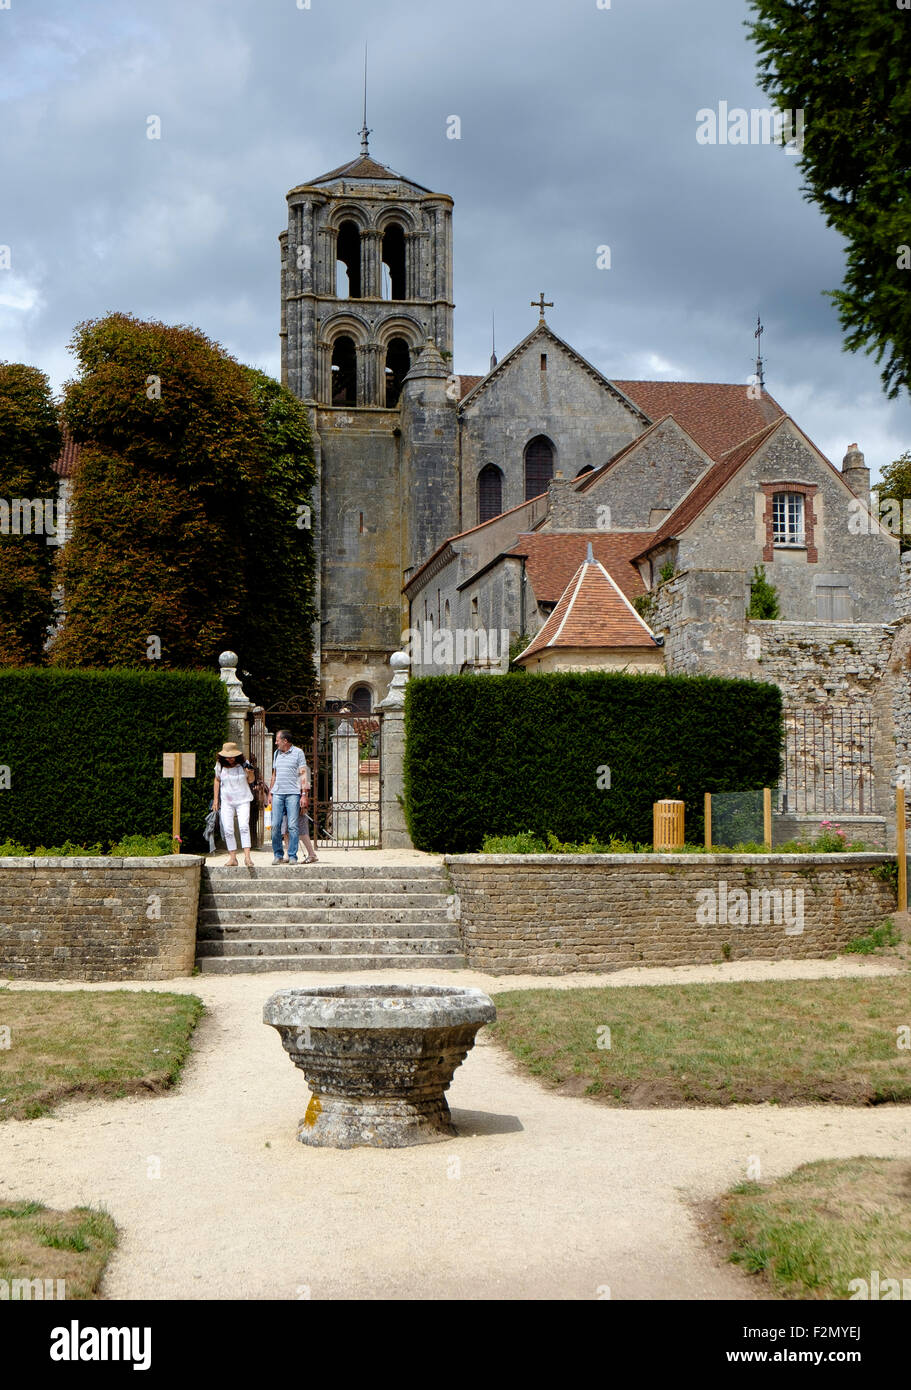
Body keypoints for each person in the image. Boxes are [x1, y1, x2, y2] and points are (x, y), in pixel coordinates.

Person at [268, 729, 318, 864]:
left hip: (293, 794)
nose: (276, 742)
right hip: (278, 793)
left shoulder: (298, 753)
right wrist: (270, 792)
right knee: (275, 825)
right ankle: (278, 855)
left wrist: (304, 795)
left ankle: (292, 856)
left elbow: (303, 773)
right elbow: (274, 774)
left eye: (278, 740)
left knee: (293, 826)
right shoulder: (276, 753)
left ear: (285, 741)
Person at [213, 741, 255, 869]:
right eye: (228, 756)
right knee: (228, 829)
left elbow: (251, 780)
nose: (230, 759)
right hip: (226, 800)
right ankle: (232, 857)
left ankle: (247, 857)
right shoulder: (220, 765)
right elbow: (217, 780)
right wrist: (216, 800)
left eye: (232, 756)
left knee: (243, 826)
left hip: (243, 799)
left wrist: (250, 772)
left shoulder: (244, 763)